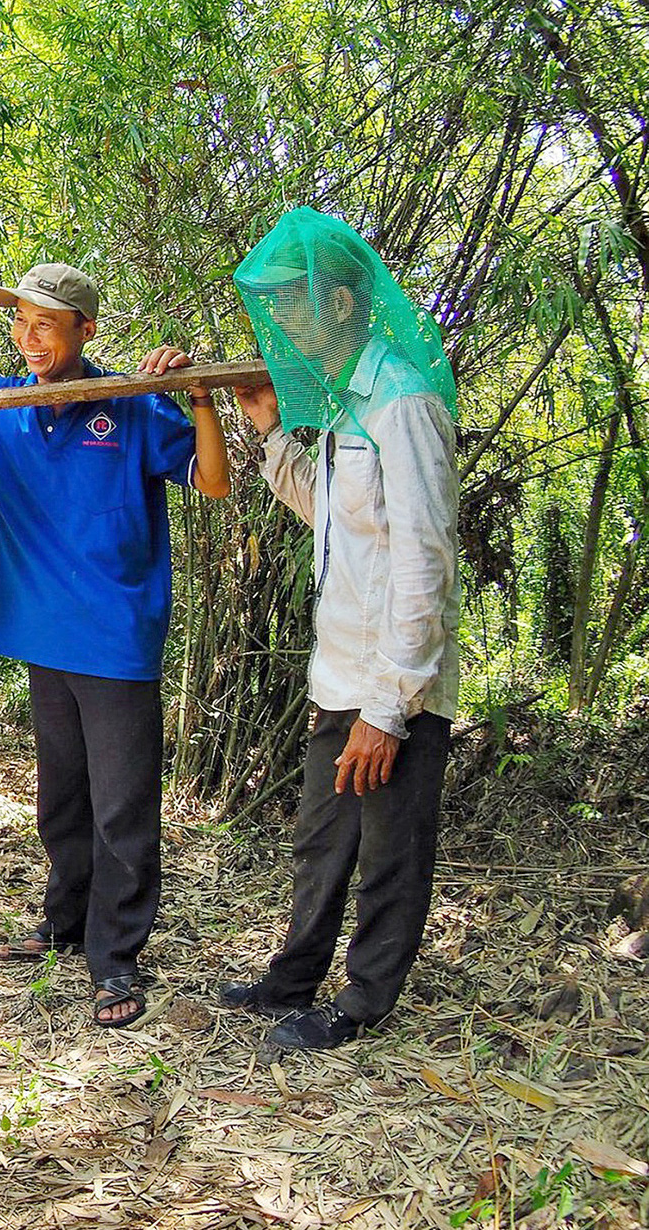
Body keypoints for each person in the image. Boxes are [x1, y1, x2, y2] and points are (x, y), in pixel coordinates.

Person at [0, 262, 230, 1029]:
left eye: (47, 323)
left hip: (116, 636)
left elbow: (212, 482)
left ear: (86, 330)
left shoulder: (130, 402)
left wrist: (200, 395)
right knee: (63, 798)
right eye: (20, 322)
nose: (30, 337)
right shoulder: (0, 406)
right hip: (44, 631)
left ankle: (117, 957)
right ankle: (64, 922)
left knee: (122, 809)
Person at [216, 208, 460, 1050]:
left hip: (397, 685)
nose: (282, 321)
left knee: (389, 853)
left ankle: (363, 1003)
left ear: (346, 301)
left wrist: (390, 708)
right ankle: (292, 977)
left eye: (295, 302)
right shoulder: (345, 404)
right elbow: (333, 519)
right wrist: (270, 429)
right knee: (322, 841)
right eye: (275, 304)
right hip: (339, 671)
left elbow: (425, 558)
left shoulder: (402, 398)